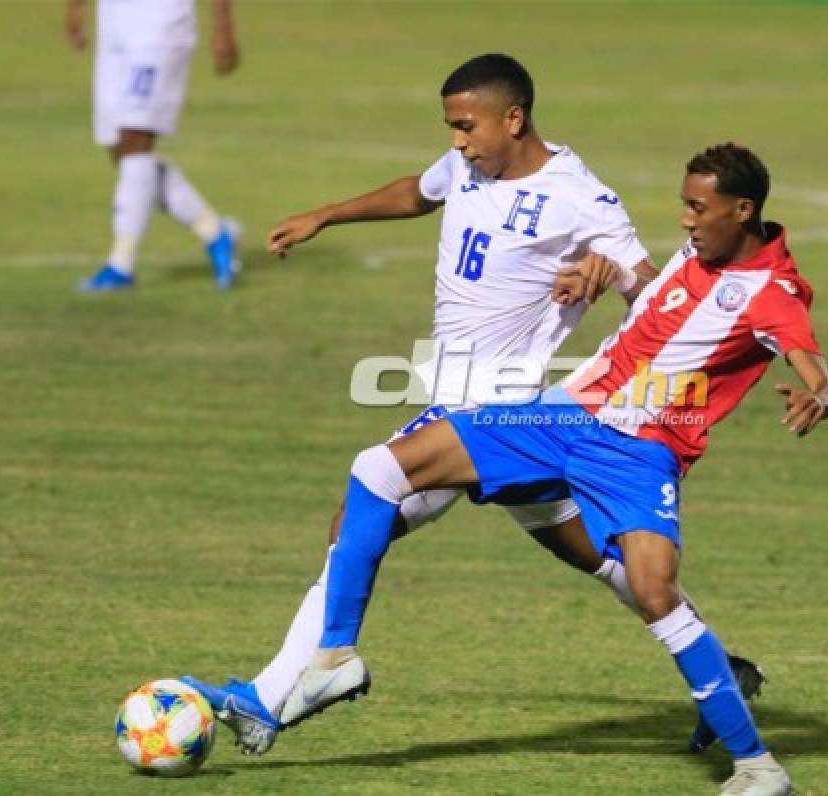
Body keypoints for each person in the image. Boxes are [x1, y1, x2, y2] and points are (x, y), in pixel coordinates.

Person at [181, 55, 763, 756]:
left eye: (466, 126)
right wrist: (327, 215)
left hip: (495, 407)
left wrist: (604, 276)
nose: (457, 141)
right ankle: (720, 671)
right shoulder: (468, 164)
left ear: (512, 118)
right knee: (598, 555)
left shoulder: (580, 197)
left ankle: (272, 696)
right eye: (451, 128)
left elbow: (653, 294)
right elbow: (418, 192)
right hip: (483, 403)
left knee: (366, 500)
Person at [275, 143, 828, 796]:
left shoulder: (773, 292)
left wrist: (818, 398)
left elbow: (821, 375)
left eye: (698, 208)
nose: (686, 220)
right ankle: (335, 657)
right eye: (685, 205)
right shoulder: (705, 249)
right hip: (562, 416)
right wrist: (593, 276)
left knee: (655, 591)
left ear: (741, 211)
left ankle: (757, 767)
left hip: (639, 451)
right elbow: (654, 310)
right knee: (379, 470)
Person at [65, 0, 241, 291]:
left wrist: (223, 26)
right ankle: (215, 232)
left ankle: (121, 264)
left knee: (134, 140)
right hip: (114, 21)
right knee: (121, 151)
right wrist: (76, 7)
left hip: (160, 24)